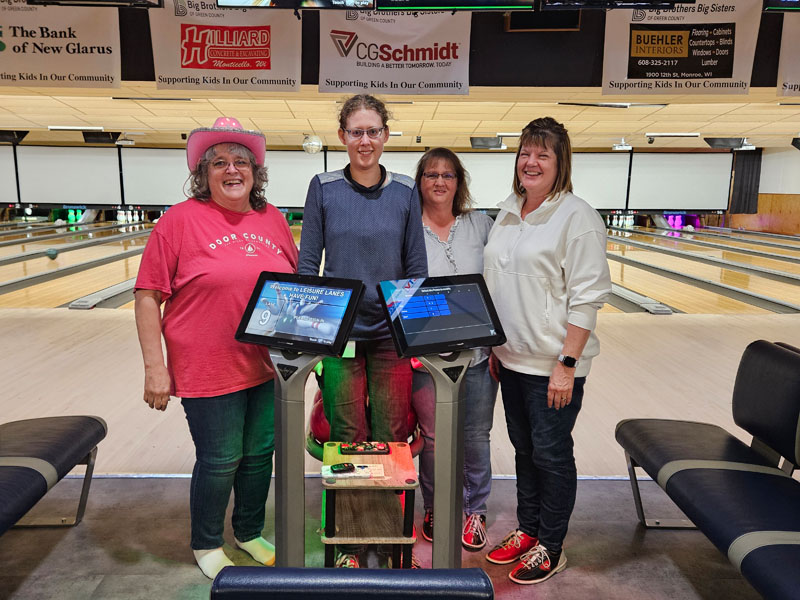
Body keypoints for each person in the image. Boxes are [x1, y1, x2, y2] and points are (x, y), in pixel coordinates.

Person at [134, 117, 299, 580]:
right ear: (204, 173)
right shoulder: (178, 221)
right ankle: (207, 541)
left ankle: (248, 531)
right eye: (220, 162)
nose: (232, 169)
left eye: (241, 161)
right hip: (207, 365)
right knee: (221, 458)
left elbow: (293, 287)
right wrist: (154, 367)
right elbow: (147, 295)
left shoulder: (272, 218)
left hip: (266, 365)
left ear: (255, 172)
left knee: (259, 454)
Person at [298, 94, 428, 568]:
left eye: (373, 131)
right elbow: (308, 264)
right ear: (343, 137)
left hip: (390, 336)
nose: (365, 140)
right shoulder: (323, 187)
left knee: (392, 435)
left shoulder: (405, 192)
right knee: (348, 437)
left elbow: (416, 268)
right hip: (342, 335)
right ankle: (351, 542)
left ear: (386, 135)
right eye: (356, 132)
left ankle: (391, 537)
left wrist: (411, 332)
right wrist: (314, 332)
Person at [483, 117, 611, 584]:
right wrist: (497, 346)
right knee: (524, 451)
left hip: (552, 365)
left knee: (552, 456)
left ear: (561, 163)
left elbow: (587, 297)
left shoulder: (577, 217)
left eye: (543, 154)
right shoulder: (508, 210)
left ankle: (551, 546)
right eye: (525, 153)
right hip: (511, 359)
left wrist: (567, 364)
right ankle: (528, 529)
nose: (531, 162)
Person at [410, 148, 498, 551]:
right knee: (432, 439)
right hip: (426, 359)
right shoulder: (409, 228)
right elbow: (399, 289)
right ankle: (434, 507)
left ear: (458, 182)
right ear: (420, 181)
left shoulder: (481, 225)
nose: (439, 182)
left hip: (477, 356)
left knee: (476, 436)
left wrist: (499, 345)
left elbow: (499, 281)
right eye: (431, 174)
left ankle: (475, 510)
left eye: (448, 175)